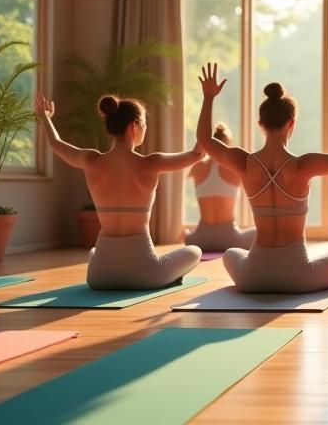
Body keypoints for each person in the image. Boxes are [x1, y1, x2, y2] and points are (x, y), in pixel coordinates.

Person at [196, 63, 328, 293]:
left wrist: (208, 97)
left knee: (231, 254)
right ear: (291, 123)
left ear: (260, 124)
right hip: (298, 277)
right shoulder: (303, 166)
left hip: (252, 278)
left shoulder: (244, 162)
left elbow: (204, 141)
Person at [35, 93, 202, 290]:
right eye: (144, 124)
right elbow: (198, 153)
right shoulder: (151, 163)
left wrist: (45, 117)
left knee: (95, 252)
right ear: (134, 126)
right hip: (145, 274)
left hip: (99, 276)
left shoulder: (90, 161)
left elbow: (56, 144)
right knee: (194, 251)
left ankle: (112, 265)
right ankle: (166, 277)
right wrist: (207, 98)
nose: (146, 128)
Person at [184, 123, 256, 252]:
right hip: (230, 238)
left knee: (187, 236)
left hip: (201, 239)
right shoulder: (234, 168)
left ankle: (189, 237)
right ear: (227, 147)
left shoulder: (197, 167)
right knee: (261, 233)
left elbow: (182, 177)